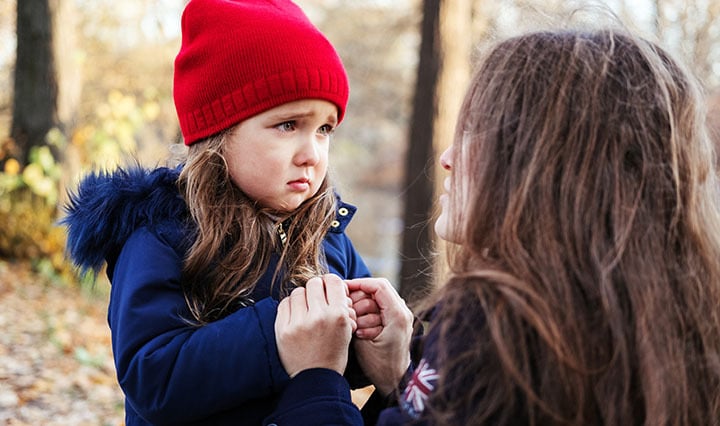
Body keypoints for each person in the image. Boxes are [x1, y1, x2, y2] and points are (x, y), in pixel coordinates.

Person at [264, 25, 720, 425]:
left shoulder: (497, 328)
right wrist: (401, 376)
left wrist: (316, 378)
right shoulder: (666, 326)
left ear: (547, 166)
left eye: (476, 133)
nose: (446, 158)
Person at [61, 0, 382, 424]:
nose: (312, 154)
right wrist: (277, 339)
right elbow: (152, 377)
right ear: (219, 132)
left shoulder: (328, 235)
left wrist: (374, 336)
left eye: (325, 129)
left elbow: (339, 364)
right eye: (288, 125)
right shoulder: (162, 236)